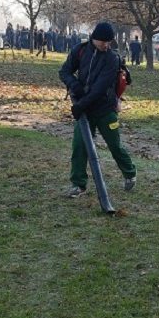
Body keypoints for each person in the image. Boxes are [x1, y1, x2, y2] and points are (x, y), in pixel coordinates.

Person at [58, 21, 136, 198]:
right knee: (79, 146)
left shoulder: (112, 59)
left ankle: (130, 173)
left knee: (114, 145)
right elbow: (64, 72)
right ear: (94, 38)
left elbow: (100, 89)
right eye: (103, 42)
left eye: (109, 42)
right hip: (85, 110)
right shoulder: (80, 50)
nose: (106, 45)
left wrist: (80, 105)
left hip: (105, 109)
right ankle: (78, 185)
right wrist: (74, 84)